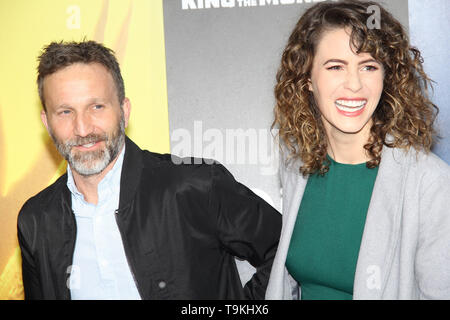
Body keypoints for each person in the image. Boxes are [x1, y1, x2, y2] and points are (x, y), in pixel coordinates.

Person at [17, 40, 281, 300]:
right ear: (47, 123)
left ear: (124, 110)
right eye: (65, 112)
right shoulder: (36, 220)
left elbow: (286, 249)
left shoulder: (195, 185)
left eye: (96, 107)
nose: (83, 129)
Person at [266, 0, 450, 300]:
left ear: (386, 77)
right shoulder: (298, 167)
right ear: (307, 79)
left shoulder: (430, 183)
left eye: (368, 66)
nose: (354, 85)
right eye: (336, 66)